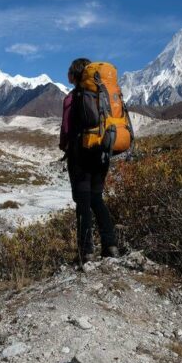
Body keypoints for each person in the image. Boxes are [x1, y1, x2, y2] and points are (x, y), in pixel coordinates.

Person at [60, 58, 119, 264]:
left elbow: (66, 131)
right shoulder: (103, 94)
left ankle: (86, 252)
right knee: (97, 199)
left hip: (81, 157)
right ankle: (110, 245)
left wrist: (65, 147)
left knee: (83, 203)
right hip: (101, 154)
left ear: (74, 75)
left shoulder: (72, 98)